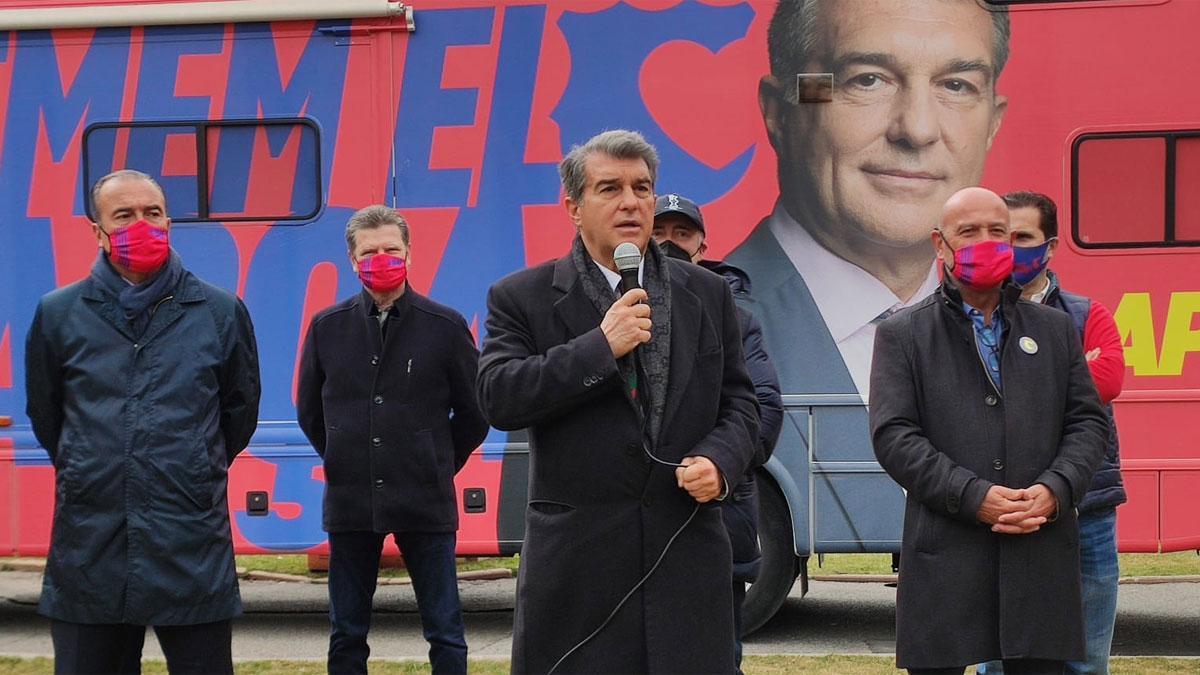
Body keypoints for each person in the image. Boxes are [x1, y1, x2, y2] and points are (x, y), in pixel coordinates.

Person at [476, 130, 760, 673]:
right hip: (579, 575)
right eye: (610, 188)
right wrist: (598, 348)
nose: (630, 202)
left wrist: (721, 460)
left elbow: (742, 403)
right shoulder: (522, 297)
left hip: (685, 561)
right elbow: (499, 396)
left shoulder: (706, 292)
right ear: (574, 208)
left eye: (642, 187)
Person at [24, 169, 261, 674]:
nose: (141, 225)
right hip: (90, 544)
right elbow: (48, 416)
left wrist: (192, 464)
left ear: (169, 221)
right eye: (124, 215)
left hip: (189, 540)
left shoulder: (218, 312)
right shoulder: (59, 313)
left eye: (152, 213)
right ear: (98, 231)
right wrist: (90, 465)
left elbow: (238, 413)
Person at [869, 187, 1109, 674]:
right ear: (941, 245)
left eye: (998, 232)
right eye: (969, 232)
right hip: (947, 555)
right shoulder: (903, 334)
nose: (986, 242)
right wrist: (972, 495)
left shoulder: (1055, 330)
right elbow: (895, 435)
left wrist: (1055, 489)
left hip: (1039, 549)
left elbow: (1087, 422)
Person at [727, 0, 1010, 400]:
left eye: (956, 85)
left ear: (992, 124)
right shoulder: (698, 327)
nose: (917, 128)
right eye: (867, 80)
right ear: (781, 111)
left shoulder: (1026, 329)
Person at [296, 205, 489, 674]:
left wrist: (436, 460)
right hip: (350, 503)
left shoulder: (444, 326)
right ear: (352, 259)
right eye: (370, 251)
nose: (381, 258)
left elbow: (475, 411)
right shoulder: (327, 327)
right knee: (346, 633)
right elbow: (309, 412)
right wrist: (345, 455)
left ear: (409, 254)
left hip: (425, 500)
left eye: (391, 249)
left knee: (445, 631)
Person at [976, 192, 1127, 675]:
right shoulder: (971, 317)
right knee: (999, 662)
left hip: (1087, 514)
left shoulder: (1087, 314)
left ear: (1051, 246)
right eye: (1003, 236)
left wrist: (1017, 382)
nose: (1011, 248)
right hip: (1004, 510)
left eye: (1024, 238)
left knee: (1085, 663)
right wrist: (1066, 371)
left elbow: (1108, 382)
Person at [653, 192, 784, 671]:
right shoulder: (615, 316)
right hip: (633, 534)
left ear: (702, 246)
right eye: (659, 233)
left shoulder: (737, 320)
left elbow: (764, 410)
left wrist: (717, 462)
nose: (669, 243)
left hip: (715, 521)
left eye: (681, 234)